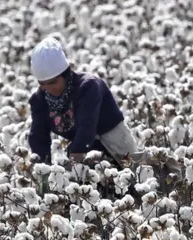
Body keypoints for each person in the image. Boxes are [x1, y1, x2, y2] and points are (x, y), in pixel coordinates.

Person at [28, 36, 138, 168]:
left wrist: (73, 169)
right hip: (83, 150)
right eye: (42, 84)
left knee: (133, 177)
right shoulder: (39, 100)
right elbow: (38, 139)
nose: (48, 89)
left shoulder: (88, 87)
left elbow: (86, 128)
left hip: (117, 145)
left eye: (53, 82)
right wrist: (43, 172)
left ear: (66, 74)